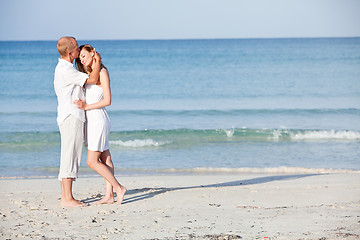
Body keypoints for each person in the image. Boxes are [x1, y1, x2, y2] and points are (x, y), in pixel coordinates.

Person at [74, 44, 127, 204]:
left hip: (98, 119)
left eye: (84, 55)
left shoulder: (102, 73)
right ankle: (109, 196)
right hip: (91, 120)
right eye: (80, 57)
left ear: (93, 53)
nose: (81, 59)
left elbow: (107, 101)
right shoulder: (88, 74)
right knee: (106, 158)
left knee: (91, 161)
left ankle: (119, 188)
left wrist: (86, 107)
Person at [54, 36, 101, 207]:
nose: (78, 50)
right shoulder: (66, 69)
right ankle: (67, 198)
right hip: (71, 116)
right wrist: (97, 61)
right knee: (70, 155)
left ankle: (66, 196)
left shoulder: (65, 68)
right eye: (76, 48)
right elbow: (93, 79)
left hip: (70, 115)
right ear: (69, 52)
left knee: (69, 154)